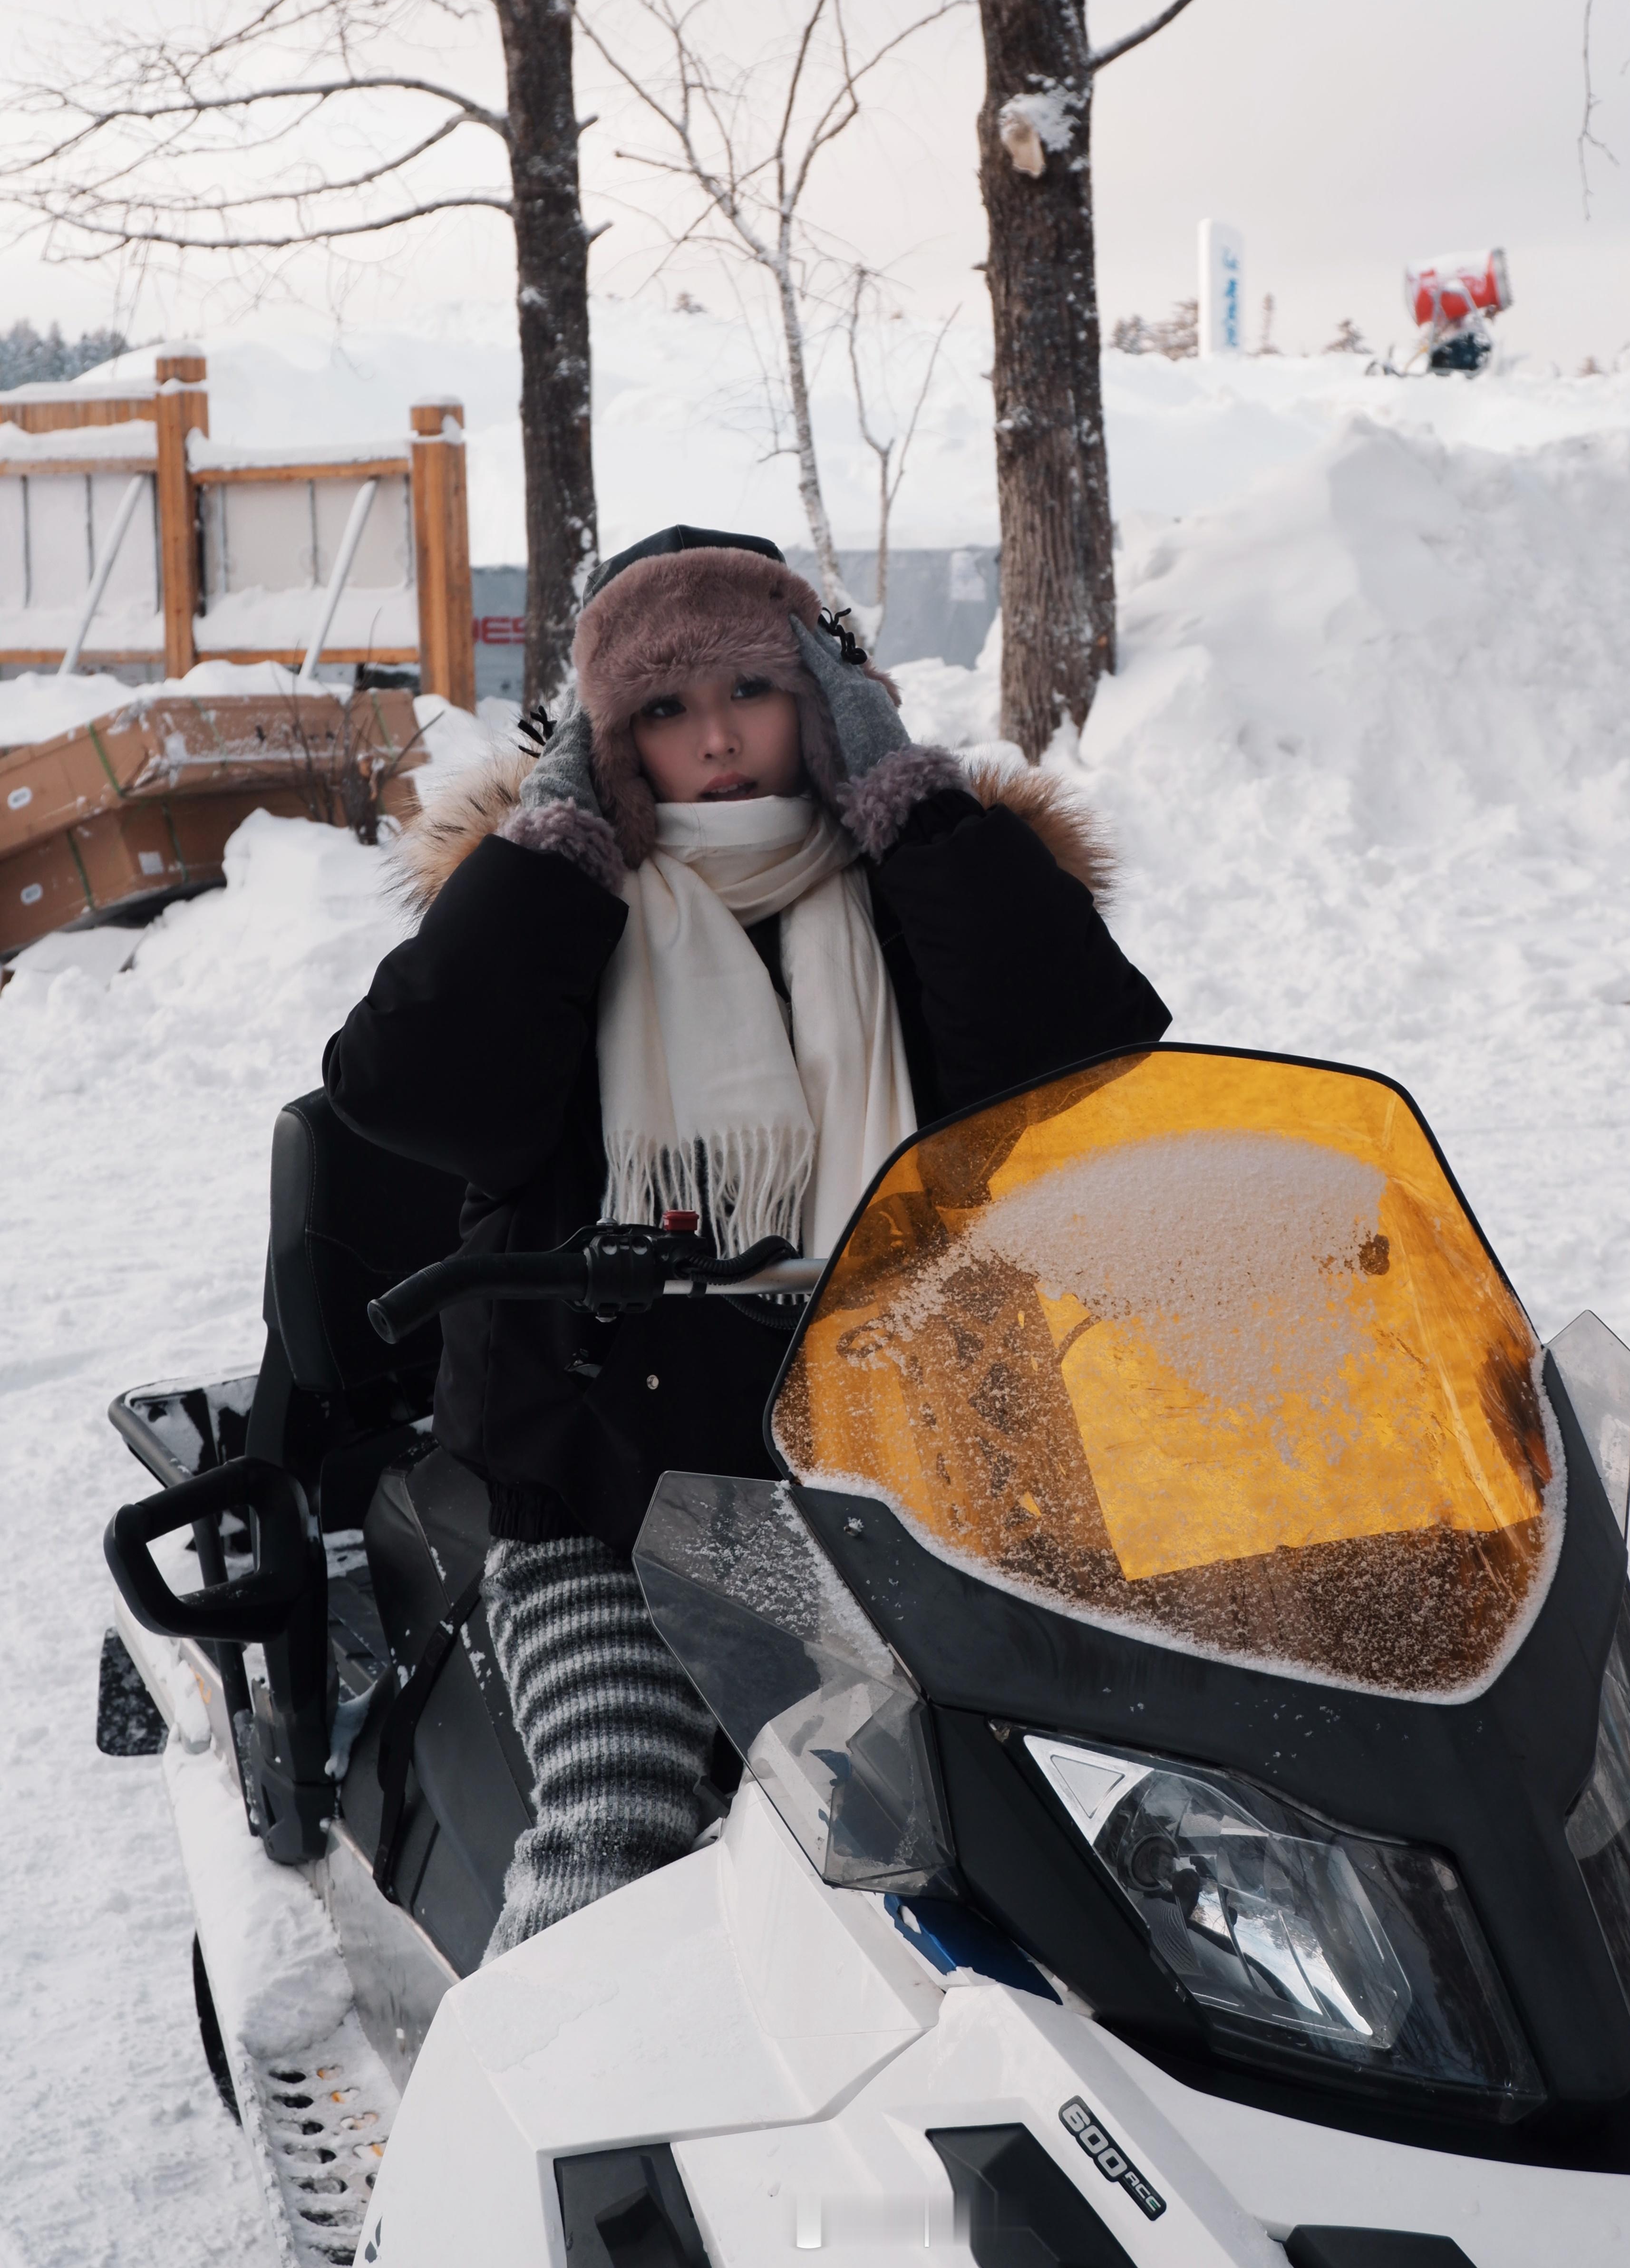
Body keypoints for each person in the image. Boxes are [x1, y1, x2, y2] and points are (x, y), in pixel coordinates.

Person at [325, 525, 1169, 1954]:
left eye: (755, 693)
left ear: (822, 700)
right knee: (618, 1820)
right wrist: (556, 849)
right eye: (661, 711)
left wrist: (908, 802)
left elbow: (1075, 1049)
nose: (717, 741)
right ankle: (528, 2143)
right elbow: (410, 1088)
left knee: (1100, 1801)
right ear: (605, 746)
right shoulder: (561, 909)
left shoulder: (920, 888)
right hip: (603, 1495)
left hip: (910, 1472)